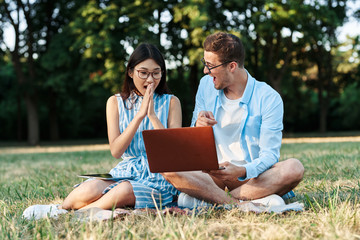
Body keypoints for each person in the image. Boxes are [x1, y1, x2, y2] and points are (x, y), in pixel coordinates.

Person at [23, 43, 182, 220]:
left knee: (123, 191)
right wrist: (139, 116)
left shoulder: (172, 102)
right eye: (143, 73)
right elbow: (116, 151)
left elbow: (173, 153)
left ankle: (76, 215)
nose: (150, 80)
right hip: (127, 170)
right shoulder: (114, 103)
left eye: (156, 73)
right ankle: (62, 209)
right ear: (130, 72)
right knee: (88, 190)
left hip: (160, 175)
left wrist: (152, 116)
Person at [162, 32, 304, 208]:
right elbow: (193, 144)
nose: (206, 70)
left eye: (210, 65)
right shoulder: (206, 85)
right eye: (204, 64)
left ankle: (215, 201)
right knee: (167, 165)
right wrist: (198, 126)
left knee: (294, 168)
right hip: (212, 176)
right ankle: (241, 203)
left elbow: (270, 155)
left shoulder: (268, 97)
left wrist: (242, 170)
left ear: (232, 66)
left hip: (251, 178)